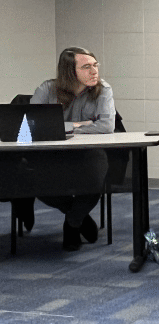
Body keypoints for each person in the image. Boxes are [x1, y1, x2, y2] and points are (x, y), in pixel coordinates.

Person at [18, 47, 114, 251]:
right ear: (70, 72)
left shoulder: (103, 89)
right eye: (86, 67)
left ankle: (72, 224)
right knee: (35, 182)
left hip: (88, 152)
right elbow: (31, 124)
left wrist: (59, 126)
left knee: (96, 179)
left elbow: (106, 126)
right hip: (51, 153)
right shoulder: (47, 89)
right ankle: (79, 215)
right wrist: (77, 125)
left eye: (95, 65)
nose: (94, 71)